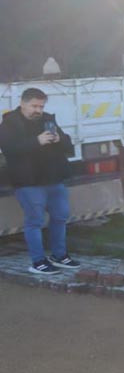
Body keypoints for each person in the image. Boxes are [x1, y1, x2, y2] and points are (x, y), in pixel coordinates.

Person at [0, 88, 82, 274]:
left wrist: (59, 138)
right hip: (28, 182)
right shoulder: (9, 123)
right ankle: (38, 262)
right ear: (22, 103)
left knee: (60, 217)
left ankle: (59, 256)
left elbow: (68, 145)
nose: (38, 110)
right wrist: (36, 141)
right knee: (34, 221)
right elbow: (8, 149)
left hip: (54, 179)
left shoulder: (48, 119)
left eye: (41, 106)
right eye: (33, 106)